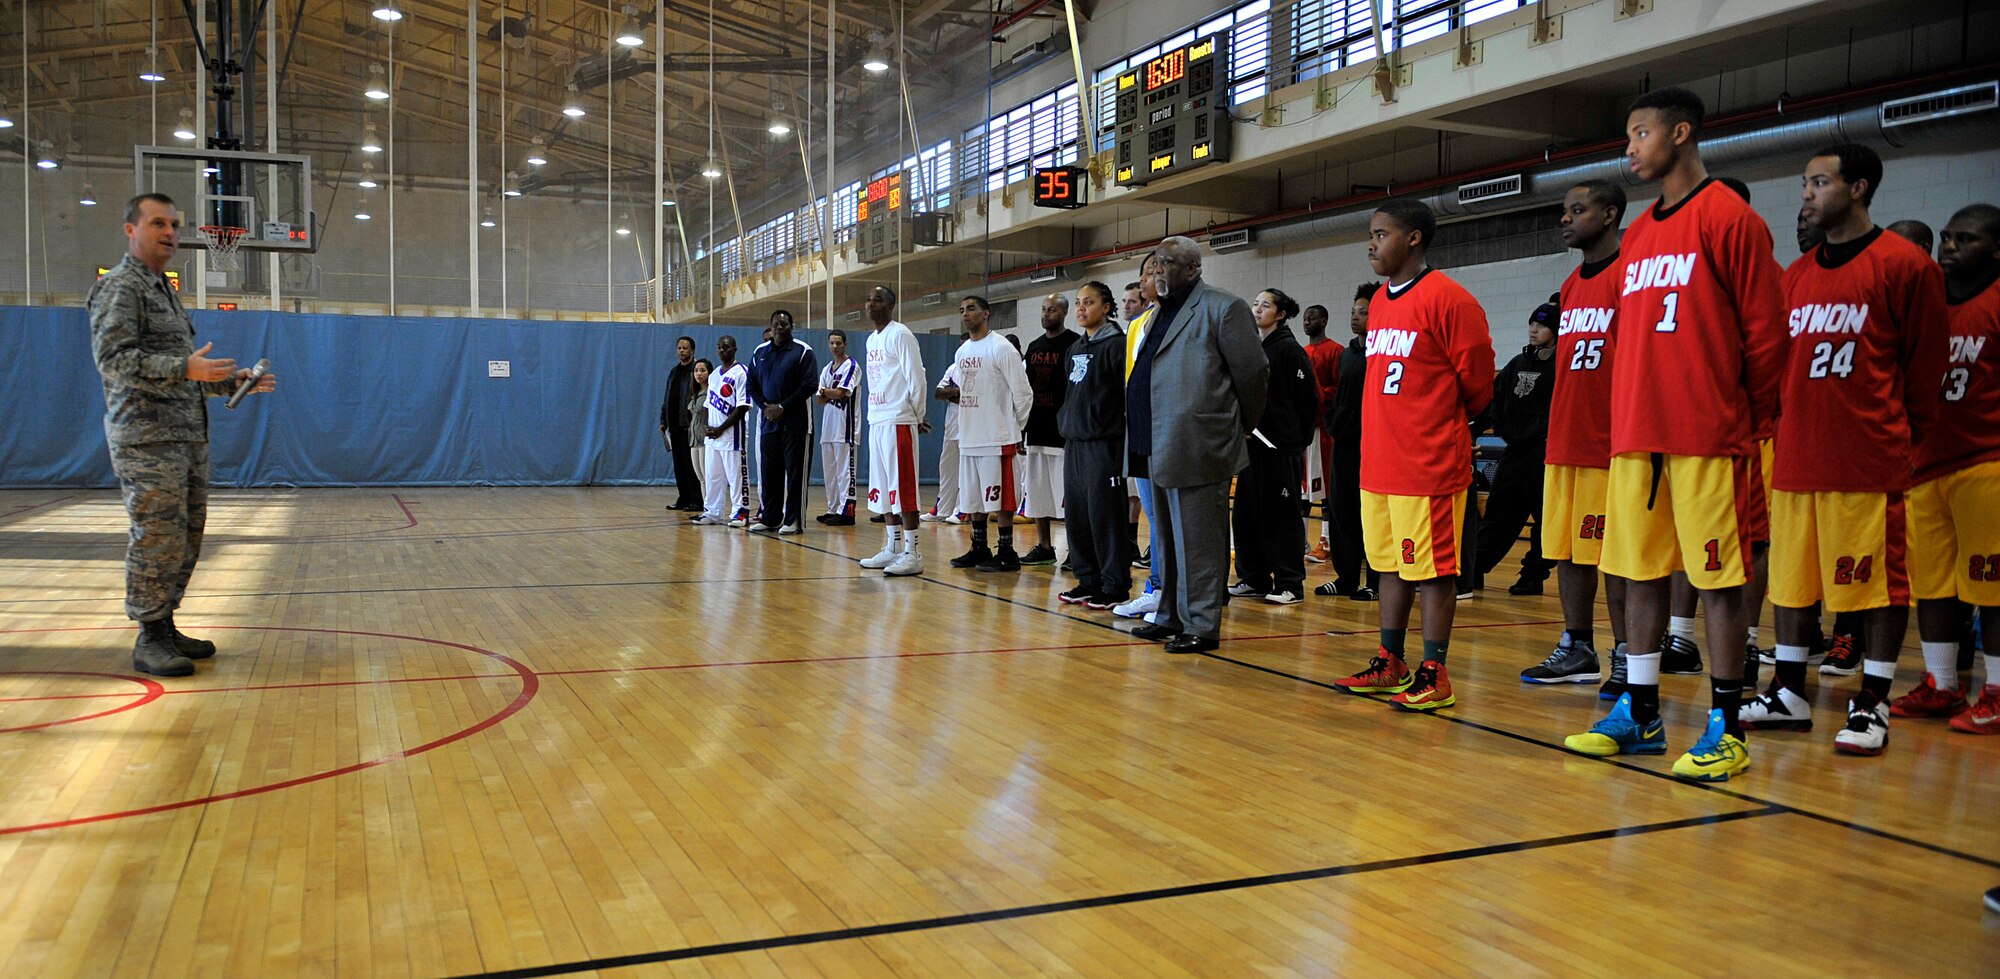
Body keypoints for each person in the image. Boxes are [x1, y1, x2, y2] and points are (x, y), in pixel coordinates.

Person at [1563, 87, 1786, 782]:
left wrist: (1742, 420)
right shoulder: (1641, 239)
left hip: (1707, 431)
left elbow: (1767, 339)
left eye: (1640, 134)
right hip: (1639, 432)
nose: (1629, 148)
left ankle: (1726, 722)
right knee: (1638, 572)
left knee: (1716, 579)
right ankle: (1640, 709)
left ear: (1681, 133)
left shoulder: (1731, 219)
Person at [1737, 144, 1948, 755]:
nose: (1806, 193)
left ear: (1858, 188)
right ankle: (1789, 692)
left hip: (1867, 457)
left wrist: (1898, 437)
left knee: (1876, 589)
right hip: (1797, 458)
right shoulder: (1794, 279)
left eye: (1819, 182)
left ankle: (1873, 702)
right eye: (1805, 183)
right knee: (1794, 586)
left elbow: (1923, 368)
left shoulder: (1905, 267)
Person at [87, 192, 277, 678]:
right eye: (157, 223)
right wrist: (184, 367)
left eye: (174, 225)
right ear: (131, 229)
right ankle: (149, 635)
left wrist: (229, 382)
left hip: (184, 437)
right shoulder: (120, 288)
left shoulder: (162, 289)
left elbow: (181, 375)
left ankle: (166, 624)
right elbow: (114, 361)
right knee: (156, 536)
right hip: (146, 440)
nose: (170, 232)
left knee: (185, 536)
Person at [1331, 200, 1495, 710]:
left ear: (1415, 239)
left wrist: (1437, 421)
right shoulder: (1380, 301)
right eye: (1371, 234)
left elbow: (1480, 386)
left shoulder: (1451, 300)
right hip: (1379, 461)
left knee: (1432, 570)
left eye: (1381, 234)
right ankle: (1391, 660)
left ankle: (1435, 669)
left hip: (1428, 464)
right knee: (1388, 566)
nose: (1371, 244)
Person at [1127, 236, 1270, 655]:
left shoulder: (1223, 308)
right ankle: (1169, 613)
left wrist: (1242, 425)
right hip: (1155, 440)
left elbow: (1254, 373)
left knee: (1200, 539)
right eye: (1155, 266)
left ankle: (1203, 624)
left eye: (1168, 265)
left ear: (1193, 269)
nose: (1158, 273)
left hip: (1199, 442)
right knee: (1167, 537)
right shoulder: (1157, 314)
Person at [1889, 203, 2000, 735]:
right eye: (1947, 237)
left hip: (1986, 464)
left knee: (1991, 588)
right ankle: (1941, 684)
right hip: (1925, 465)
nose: (1950, 247)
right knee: (1933, 586)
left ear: (1997, 250)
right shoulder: (1925, 301)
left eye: (1966, 239)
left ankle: (1996, 690)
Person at [1521, 180, 1630, 687]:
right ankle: (1577, 645)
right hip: (1564, 440)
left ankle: (1629, 655)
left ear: (1609, 214)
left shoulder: (1631, 275)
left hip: (1611, 445)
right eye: (1565, 211)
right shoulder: (1569, 286)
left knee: (1618, 557)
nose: (1566, 218)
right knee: (1564, 549)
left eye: (1577, 210)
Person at [1231, 288, 1319, 606]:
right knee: (1246, 514)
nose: (1257, 309)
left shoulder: (1289, 350)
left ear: (1280, 314)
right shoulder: (1255, 347)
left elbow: (1308, 400)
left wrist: (1294, 440)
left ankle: (1290, 583)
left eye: (1264, 305)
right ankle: (1253, 578)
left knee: (1280, 517)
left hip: (1280, 447)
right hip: (1251, 445)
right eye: (1255, 303)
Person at [941, 296, 1033, 572]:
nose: (965, 314)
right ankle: (979, 547)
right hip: (969, 435)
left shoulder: (1001, 347)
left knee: (1000, 497)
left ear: (986, 314)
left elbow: (1023, 392)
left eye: (970, 309)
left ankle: (1006, 552)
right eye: (961, 310)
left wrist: (1014, 429)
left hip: (997, 437)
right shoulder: (963, 351)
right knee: (973, 497)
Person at [1474, 299, 1559, 596]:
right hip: (1515, 452)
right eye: (1532, 324)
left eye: (1542, 325)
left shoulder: (1562, 366)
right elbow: (1493, 400)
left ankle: (1533, 575)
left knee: (1545, 520)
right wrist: (1488, 426)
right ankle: (1474, 568)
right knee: (1498, 513)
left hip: (1545, 455)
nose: (1534, 330)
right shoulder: (1516, 364)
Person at [1057, 282, 1130, 609]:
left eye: (1089, 302)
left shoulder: (1118, 346)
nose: (1081, 308)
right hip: (1074, 443)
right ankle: (1088, 580)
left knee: (1105, 517)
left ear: (1106, 307)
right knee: (1078, 516)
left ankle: (1114, 585)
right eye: (1077, 303)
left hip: (1104, 445)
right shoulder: (1075, 349)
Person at [1316, 284, 1381, 601]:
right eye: (1354, 311)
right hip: (1344, 441)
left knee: (1373, 515)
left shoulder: (1382, 352)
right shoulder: (1347, 355)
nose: (1356, 317)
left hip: (1374, 444)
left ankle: (1377, 581)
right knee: (1343, 510)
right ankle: (1346, 578)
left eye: (1364, 311)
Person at [860, 286, 931, 576]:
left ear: (890, 305)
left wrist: (916, 415)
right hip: (877, 420)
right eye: (868, 299)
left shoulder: (901, 334)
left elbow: (918, 377)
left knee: (903, 489)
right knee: (883, 491)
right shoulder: (870, 340)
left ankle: (912, 552)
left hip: (898, 420)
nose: (871, 304)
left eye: (877, 299)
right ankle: (891, 547)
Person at [746, 309, 818, 534]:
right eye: (776, 324)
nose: (780, 328)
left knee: (795, 473)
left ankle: (793, 521)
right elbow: (752, 385)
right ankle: (771, 518)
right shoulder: (760, 352)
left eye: (784, 325)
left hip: (796, 424)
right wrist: (765, 407)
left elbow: (810, 385)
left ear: (791, 327)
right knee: (769, 472)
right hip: (769, 423)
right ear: (771, 326)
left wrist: (783, 407)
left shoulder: (803, 351)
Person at [1022, 294, 1081, 565]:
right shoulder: (1034, 347)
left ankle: (1075, 550)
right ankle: (1044, 547)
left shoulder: (1075, 344)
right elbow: (1024, 390)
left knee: (1068, 497)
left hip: (1063, 433)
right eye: (1044, 309)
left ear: (1065, 313)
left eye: (1053, 310)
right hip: (1036, 428)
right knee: (1037, 493)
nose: (1047, 314)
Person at [696, 336, 754, 528]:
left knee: (736, 476)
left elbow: (743, 406)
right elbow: (706, 406)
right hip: (713, 438)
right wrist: (707, 427)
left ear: (735, 349)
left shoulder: (742, 373)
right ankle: (713, 511)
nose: (723, 350)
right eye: (719, 347)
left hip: (732, 436)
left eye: (726, 347)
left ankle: (740, 512)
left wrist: (721, 428)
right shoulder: (713, 375)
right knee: (713, 476)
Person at [1301, 303, 1342, 566]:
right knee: (1303, 490)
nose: (1306, 321)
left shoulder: (1335, 350)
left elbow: (1338, 388)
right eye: (1304, 318)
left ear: (1324, 320)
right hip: (1304, 429)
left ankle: (1325, 540)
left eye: (1312, 317)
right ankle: (1300, 540)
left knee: (1325, 487)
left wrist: (1316, 396)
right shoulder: (1302, 352)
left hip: (1325, 430)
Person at [815, 329, 860, 525]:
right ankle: (833, 508)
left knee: (845, 471)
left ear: (845, 344)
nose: (835, 346)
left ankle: (847, 511)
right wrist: (826, 392)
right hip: (828, 428)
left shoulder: (852, 366)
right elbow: (819, 399)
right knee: (830, 471)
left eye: (838, 343)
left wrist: (826, 391)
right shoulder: (827, 369)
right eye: (832, 343)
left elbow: (842, 393)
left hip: (845, 428)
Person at [659, 336, 703, 510]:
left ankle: (697, 500)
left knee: (691, 465)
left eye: (685, 348)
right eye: (679, 348)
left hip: (690, 426)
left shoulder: (697, 371)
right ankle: (683, 498)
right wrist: (664, 421)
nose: (681, 351)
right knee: (679, 465)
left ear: (692, 350)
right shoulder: (674, 372)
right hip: (675, 425)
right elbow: (667, 397)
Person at [687, 358, 711, 481]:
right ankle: (704, 501)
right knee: (700, 478)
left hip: (704, 438)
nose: (699, 373)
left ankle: (711, 500)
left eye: (702, 370)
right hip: (694, 438)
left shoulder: (711, 391)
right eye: (696, 370)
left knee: (707, 476)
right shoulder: (695, 392)